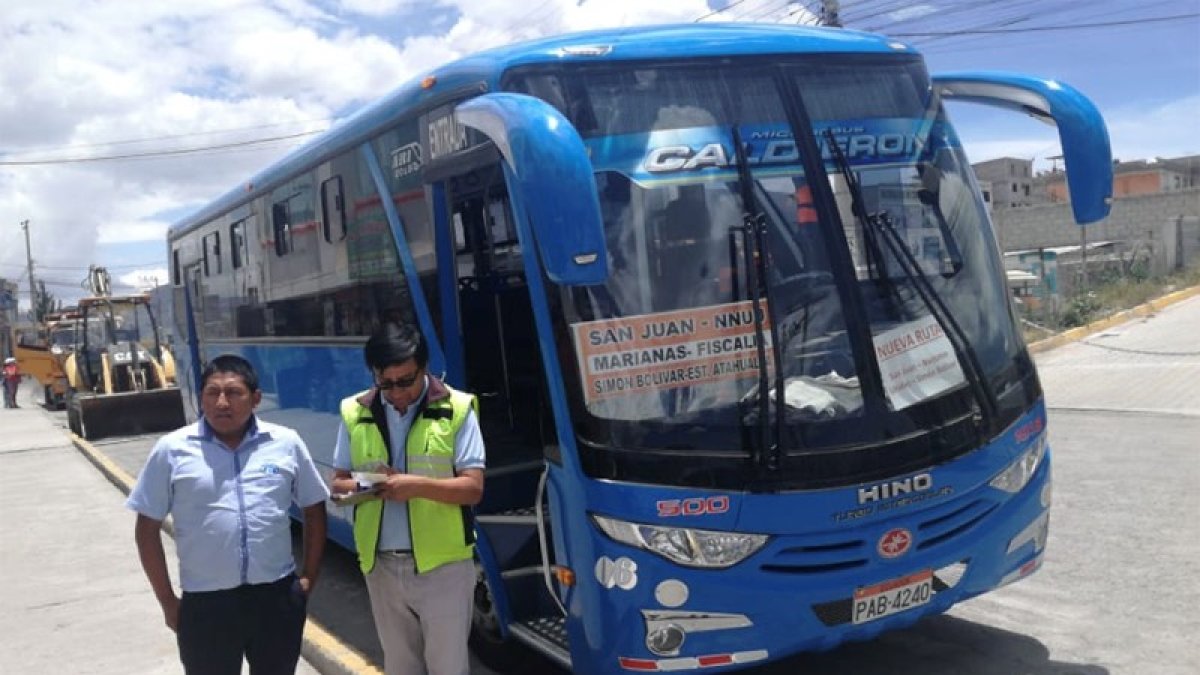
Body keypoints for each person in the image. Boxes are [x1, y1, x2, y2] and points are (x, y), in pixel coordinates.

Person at [126, 354, 329, 675]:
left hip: (276, 600)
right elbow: (146, 530)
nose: (222, 403)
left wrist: (307, 580)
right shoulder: (172, 450)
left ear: (256, 398)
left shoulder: (285, 443)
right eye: (212, 393)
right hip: (206, 605)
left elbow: (314, 509)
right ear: (201, 396)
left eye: (233, 393)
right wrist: (167, 601)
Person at [331, 322, 485, 675]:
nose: (397, 392)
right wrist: (370, 485)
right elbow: (338, 488)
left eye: (406, 381)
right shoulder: (355, 411)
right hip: (382, 566)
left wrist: (414, 486)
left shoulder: (457, 409)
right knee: (401, 667)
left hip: (444, 567)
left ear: (424, 369)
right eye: (386, 383)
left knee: (448, 667)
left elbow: (473, 488)